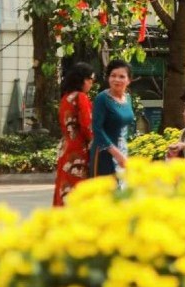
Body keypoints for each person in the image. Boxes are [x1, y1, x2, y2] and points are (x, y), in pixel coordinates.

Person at [54, 63, 94, 206]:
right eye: (90, 79)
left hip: (66, 147)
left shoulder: (65, 97)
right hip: (79, 150)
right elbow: (87, 126)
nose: (91, 83)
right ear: (82, 80)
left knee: (65, 187)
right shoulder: (81, 97)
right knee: (79, 189)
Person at [90, 59, 135, 177]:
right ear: (108, 78)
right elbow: (97, 129)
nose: (116, 80)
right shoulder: (102, 99)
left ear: (129, 80)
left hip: (123, 150)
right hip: (105, 153)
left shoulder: (128, 98)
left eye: (121, 76)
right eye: (113, 76)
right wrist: (116, 154)